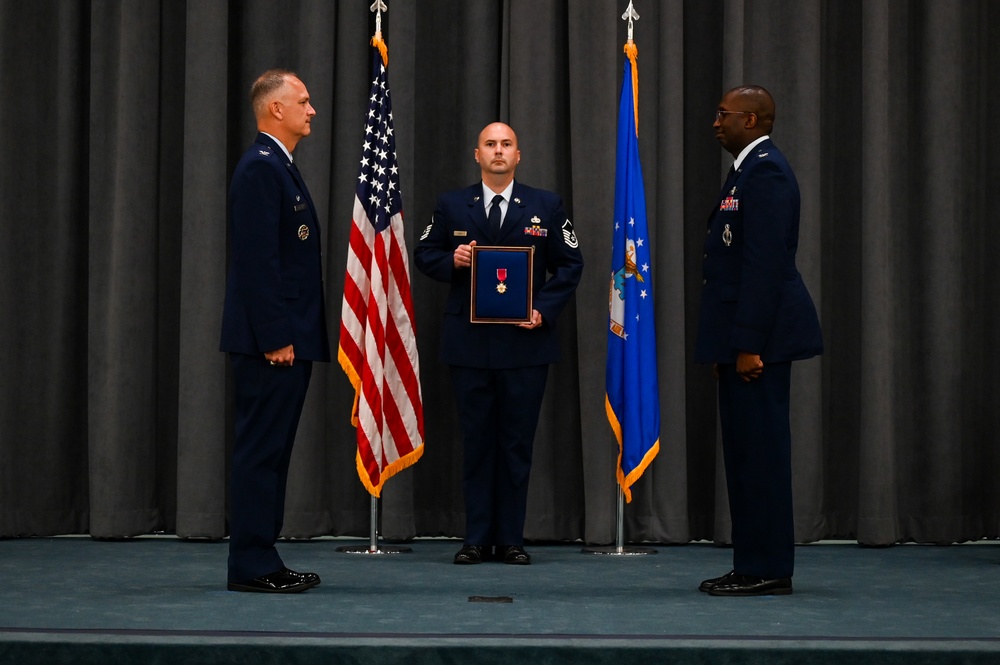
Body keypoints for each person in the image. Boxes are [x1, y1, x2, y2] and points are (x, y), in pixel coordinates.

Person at [415, 122, 584, 566]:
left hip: (525, 344)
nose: (498, 151)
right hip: (468, 345)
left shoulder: (546, 206)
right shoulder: (453, 204)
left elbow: (570, 265)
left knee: (515, 445)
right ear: (477, 155)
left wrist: (542, 310)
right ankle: (475, 538)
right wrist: (451, 259)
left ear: (518, 154)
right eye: (490, 144)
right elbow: (423, 254)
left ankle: (510, 539)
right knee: (475, 444)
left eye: (506, 144)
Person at [695, 85, 823, 596]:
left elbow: (765, 267)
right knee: (746, 456)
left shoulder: (766, 170)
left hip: (761, 343)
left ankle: (767, 567)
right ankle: (752, 563)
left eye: (723, 114)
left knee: (761, 457)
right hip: (741, 339)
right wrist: (728, 346)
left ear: (751, 121)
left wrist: (747, 345)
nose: (714, 122)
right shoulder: (747, 169)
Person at [220, 69, 330, 593]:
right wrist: (274, 336)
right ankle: (250, 564)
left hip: (289, 338)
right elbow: (257, 263)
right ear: (275, 110)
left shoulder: (279, 167)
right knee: (260, 453)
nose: (312, 110)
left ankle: (263, 555)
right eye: (303, 102)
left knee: (274, 453)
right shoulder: (261, 169)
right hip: (273, 344)